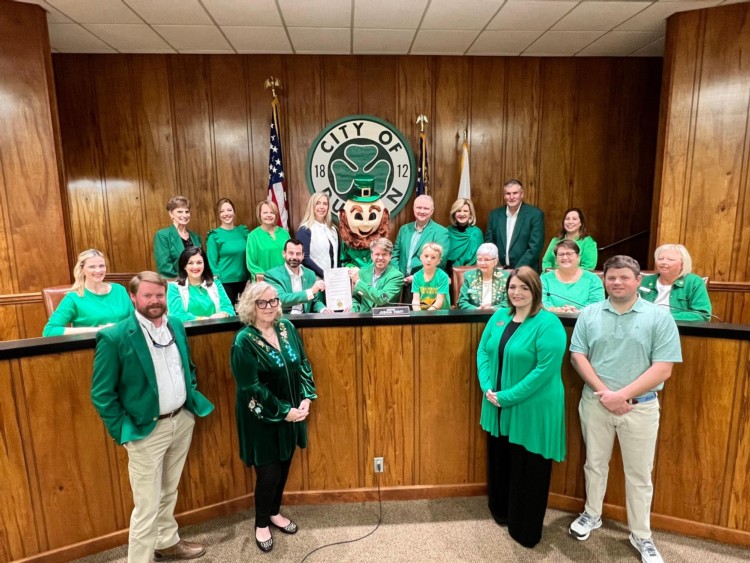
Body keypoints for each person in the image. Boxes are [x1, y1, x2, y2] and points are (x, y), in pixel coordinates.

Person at [91, 271, 214, 563]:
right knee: (146, 507)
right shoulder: (115, 336)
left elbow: (188, 367)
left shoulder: (176, 325)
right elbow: (101, 394)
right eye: (147, 295)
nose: (155, 301)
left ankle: (167, 543)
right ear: (133, 297)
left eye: (159, 295)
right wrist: (123, 431)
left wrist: (189, 395)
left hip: (181, 421)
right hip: (144, 431)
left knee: (169, 490)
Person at [568, 255, 682, 563]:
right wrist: (606, 393)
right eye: (611, 277)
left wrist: (623, 396)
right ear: (604, 280)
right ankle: (592, 515)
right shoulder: (590, 313)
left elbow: (663, 369)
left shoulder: (659, 317)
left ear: (638, 281)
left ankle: (641, 535)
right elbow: (578, 356)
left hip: (640, 409)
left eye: (624, 277)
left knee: (639, 474)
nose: (617, 282)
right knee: (594, 464)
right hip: (596, 402)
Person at [477, 266, 566, 548]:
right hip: (497, 404)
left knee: (529, 469)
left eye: (524, 288)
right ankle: (501, 512)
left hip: (532, 408)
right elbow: (483, 351)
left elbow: (545, 371)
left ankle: (525, 529)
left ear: (536, 290)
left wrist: (508, 396)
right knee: (501, 460)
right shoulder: (499, 316)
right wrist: (487, 386)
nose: (516, 293)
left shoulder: (548, 323)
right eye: (513, 287)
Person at [231, 282, 317, 553]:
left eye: (274, 301)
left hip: (293, 413)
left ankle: (275, 512)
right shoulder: (243, 340)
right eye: (262, 303)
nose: (270, 307)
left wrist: (305, 396)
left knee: (284, 467)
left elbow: (302, 363)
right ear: (251, 306)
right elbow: (250, 387)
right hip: (263, 418)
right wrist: (283, 411)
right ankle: (260, 524)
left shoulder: (286, 328)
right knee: (268, 474)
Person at [43, 249, 133, 336]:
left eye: (101, 266)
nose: (98, 270)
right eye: (92, 267)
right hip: (94, 347)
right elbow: (50, 331)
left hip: (125, 344)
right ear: (82, 269)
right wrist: (98, 330)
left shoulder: (119, 290)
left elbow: (135, 321)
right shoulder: (73, 298)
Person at [639, 244, 712, 322]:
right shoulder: (645, 280)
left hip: (678, 329)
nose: (663, 262)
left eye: (670, 260)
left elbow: (703, 315)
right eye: (660, 259)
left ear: (682, 264)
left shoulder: (694, 282)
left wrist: (663, 317)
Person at [485, 179, 545, 270]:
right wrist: (498, 267)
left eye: (515, 193)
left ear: (522, 194)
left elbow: (535, 247)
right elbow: (489, 243)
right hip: (499, 270)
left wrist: (516, 271)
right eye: (508, 193)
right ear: (504, 196)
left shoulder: (535, 215)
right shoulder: (494, 215)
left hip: (525, 271)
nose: (511, 197)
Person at [393, 194, 450, 285]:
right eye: (419, 207)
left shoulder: (441, 232)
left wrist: (417, 276)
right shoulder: (404, 229)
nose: (422, 211)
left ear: (432, 211)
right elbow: (395, 254)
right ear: (413, 208)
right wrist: (397, 274)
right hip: (401, 282)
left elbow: (441, 260)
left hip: (426, 283)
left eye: (426, 208)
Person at [167, 247, 235, 321]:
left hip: (217, 330)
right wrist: (202, 319)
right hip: (188, 331)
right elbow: (177, 315)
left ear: (204, 264)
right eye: (190, 263)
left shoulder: (216, 283)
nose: (195, 267)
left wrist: (224, 314)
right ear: (184, 266)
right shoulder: (174, 287)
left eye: (199, 262)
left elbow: (228, 308)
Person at [263, 239, 328, 314]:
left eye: (298, 254)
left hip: (305, 319)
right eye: (291, 253)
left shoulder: (310, 274)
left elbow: (314, 300)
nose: (294, 257)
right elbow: (280, 299)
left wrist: (323, 309)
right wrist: (311, 291)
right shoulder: (272, 275)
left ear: (303, 256)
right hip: (284, 319)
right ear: (284, 254)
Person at [205, 197, 250, 305]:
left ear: (234, 212)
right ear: (218, 214)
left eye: (229, 210)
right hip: (225, 283)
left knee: (245, 315)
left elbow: (250, 255)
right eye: (222, 211)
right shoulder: (214, 236)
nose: (226, 214)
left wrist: (250, 278)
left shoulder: (243, 232)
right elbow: (212, 262)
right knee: (230, 315)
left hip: (245, 281)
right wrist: (217, 283)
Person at [541, 240, 605, 313]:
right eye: (561, 254)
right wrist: (554, 309)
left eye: (569, 254)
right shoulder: (545, 279)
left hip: (585, 320)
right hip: (551, 318)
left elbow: (597, 304)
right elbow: (540, 301)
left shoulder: (593, 279)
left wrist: (578, 311)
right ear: (556, 259)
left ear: (578, 257)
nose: (565, 257)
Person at [349, 238, 404, 313]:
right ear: (371, 256)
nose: (380, 258)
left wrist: (359, 283)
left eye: (384, 254)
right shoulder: (362, 273)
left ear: (390, 256)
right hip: (363, 319)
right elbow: (356, 298)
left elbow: (381, 299)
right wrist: (353, 310)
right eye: (377, 254)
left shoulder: (397, 276)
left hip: (385, 321)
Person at [153, 196, 202, 279]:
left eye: (187, 211)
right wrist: (184, 280)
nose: (185, 215)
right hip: (175, 283)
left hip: (196, 282)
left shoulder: (195, 237)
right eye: (180, 212)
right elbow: (164, 267)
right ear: (171, 214)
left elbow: (201, 262)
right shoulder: (162, 235)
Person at [295, 193, 339, 278]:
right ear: (312, 206)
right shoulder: (305, 229)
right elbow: (304, 258)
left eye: (325, 204)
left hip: (332, 280)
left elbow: (336, 257)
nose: (322, 207)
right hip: (315, 280)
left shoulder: (333, 229)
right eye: (318, 203)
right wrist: (323, 274)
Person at [246, 200, 290, 281]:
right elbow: (251, 264)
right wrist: (266, 277)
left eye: (272, 212)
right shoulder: (253, 236)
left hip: (284, 280)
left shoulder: (284, 233)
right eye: (265, 212)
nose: (269, 215)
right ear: (259, 214)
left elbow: (290, 256)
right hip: (264, 282)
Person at [457, 243, 509, 310]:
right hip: (474, 317)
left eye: (486, 259)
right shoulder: (469, 276)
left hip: (497, 316)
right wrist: (477, 310)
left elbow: (508, 301)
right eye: (479, 259)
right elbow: (462, 302)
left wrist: (493, 308)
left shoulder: (505, 277)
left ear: (496, 261)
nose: (482, 263)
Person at [411, 243, 451, 311]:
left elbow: (439, 301)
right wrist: (417, 313)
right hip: (423, 312)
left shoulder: (443, 276)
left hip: (441, 312)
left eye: (433, 257)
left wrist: (427, 314)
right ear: (421, 257)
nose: (429, 260)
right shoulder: (416, 276)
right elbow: (415, 300)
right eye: (426, 256)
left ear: (438, 261)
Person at [446, 198, 484, 267]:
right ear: (454, 214)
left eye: (465, 211)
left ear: (470, 214)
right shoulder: (448, 231)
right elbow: (445, 255)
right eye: (458, 211)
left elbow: (479, 257)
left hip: (471, 272)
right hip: (449, 272)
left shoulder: (476, 232)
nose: (462, 214)